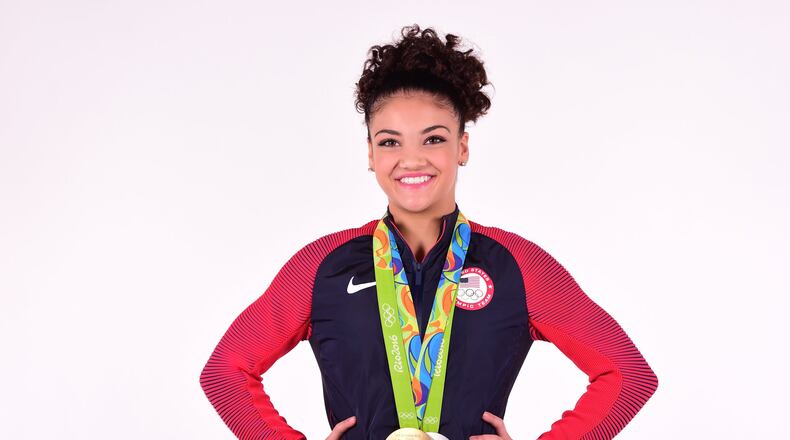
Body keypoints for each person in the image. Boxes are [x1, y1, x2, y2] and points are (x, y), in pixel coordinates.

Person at [199, 24, 658, 440]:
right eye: (390, 141)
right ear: (370, 153)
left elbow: (626, 375)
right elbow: (226, 373)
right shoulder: (323, 265)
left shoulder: (517, 265)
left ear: (462, 146)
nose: (412, 159)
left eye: (434, 138)